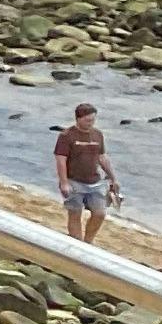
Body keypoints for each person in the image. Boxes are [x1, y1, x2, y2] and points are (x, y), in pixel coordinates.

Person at [52, 103, 121, 242]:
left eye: (93, 120)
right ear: (78, 118)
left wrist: (113, 178)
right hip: (74, 181)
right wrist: (64, 183)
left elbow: (102, 157)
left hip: (94, 182)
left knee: (100, 213)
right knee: (75, 213)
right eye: (87, 120)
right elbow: (61, 160)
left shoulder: (97, 135)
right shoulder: (66, 136)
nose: (90, 123)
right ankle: (76, 241)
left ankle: (88, 242)